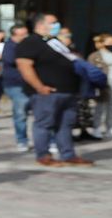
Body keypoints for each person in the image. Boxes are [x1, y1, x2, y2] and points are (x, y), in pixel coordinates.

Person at [16, 13, 91, 166]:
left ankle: (68, 154)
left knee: (65, 124)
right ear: (41, 24)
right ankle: (43, 155)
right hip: (47, 93)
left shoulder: (54, 42)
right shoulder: (30, 42)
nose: (57, 25)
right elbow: (24, 66)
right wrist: (39, 87)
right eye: (53, 22)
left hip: (68, 92)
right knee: (44, 124)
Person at [0, 23, 31, 151]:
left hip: (31, 83)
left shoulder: (29, 45)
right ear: (14, 36)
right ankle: (22, 140)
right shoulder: (9, 47)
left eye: (26, 34)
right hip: (15, 85)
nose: (25, 37)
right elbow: (13, 61)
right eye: (22, 35)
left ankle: (50, 141)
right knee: (20, 112)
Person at [89, 34, 112, 140]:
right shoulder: (94, 55)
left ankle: (110, 129)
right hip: (103, 85)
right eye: (110, 42)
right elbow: (90, 71)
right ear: (103, 43)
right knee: (100, 107)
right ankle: (97, 128)